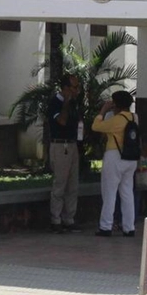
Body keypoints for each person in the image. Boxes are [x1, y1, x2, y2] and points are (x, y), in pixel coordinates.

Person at [92, 90, 138, 237]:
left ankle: (105, 226)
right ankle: (129, 227)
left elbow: (96, 126)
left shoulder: (117, 120)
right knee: (127, 192)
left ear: (116, 104)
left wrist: (103, 111)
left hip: (115, 156)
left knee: (109, 192)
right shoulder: (134, 117)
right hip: (130, 158)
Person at [46, 74, 83, 233]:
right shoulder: (55, 102)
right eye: (74, 87)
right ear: (66, 88)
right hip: (60, 146)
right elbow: (61, 121)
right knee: (60, 183)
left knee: (72, 184)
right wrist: (66, 104)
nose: (77, 91)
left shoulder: (76, 103)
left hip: (73, 145)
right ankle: (56, 219)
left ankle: (69, 218)